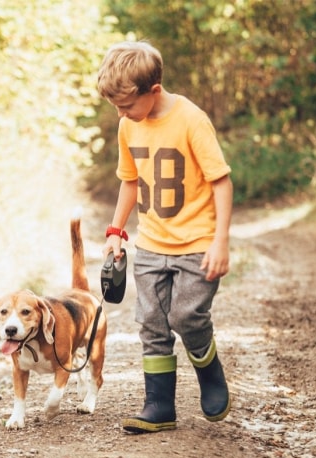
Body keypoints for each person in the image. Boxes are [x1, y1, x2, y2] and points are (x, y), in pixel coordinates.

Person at [97, 40, 233, 433]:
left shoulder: (191, 120)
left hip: (197, 244)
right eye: (117, 108)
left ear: (153, 91)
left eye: (126, 105)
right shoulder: (129, 125)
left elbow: (221, 182)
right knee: (152, 322)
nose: (121, 114)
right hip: (151, 244)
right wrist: (116, 230)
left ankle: (209, 370)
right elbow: (129, 181)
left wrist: (220, 241)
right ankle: (158, 406)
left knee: (186, 317)